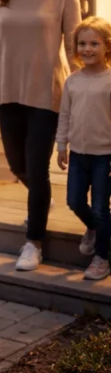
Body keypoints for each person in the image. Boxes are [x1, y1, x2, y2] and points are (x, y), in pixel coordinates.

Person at [0, 0, 81, 272]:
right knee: (17, 165)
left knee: (36, 168)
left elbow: (73, 46)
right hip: (8, 92)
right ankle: (41, 200)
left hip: (47, 93)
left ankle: (33, 243)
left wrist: (83, 88)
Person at [56, 16, 111, 281]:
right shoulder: (72, 82)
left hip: (105, 156)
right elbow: (64, 115)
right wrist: (61, 145)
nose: (87, 49)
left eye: (94, 43)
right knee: (74, 200)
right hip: (78, 153)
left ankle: (101, 257)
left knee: (101, 207)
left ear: (107, 47)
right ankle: (93, 227)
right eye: (82, 43)